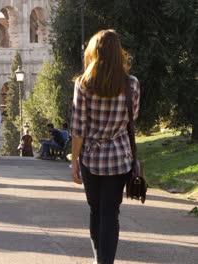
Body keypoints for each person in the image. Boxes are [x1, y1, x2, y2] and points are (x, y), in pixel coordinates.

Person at [71, 29, 140, 264]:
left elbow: (78, 128)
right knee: (111, 213)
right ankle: (105, 262)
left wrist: (74, 161)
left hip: (91, 157)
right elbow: (133, 118)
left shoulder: (83, 84)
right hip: (120, 158)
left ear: (94, 53)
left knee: (95, 210)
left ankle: (98, 258)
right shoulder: (131, 85)